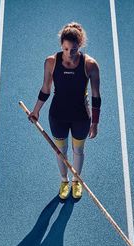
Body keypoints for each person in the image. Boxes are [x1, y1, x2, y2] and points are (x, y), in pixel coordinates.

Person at [29, 22, 101, 200]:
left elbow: (96, 96)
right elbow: (45, 89)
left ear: (80, 46)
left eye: (74, 49)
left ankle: (76, 181)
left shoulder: (90, 65)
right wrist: (36, 111)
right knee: (60, 152)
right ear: (62, 45)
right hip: (58, 116)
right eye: (67, 49)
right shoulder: (51, 62)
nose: (70, 54)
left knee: (78, 151)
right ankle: (64, 180)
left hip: (81, 117)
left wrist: (95, 122)